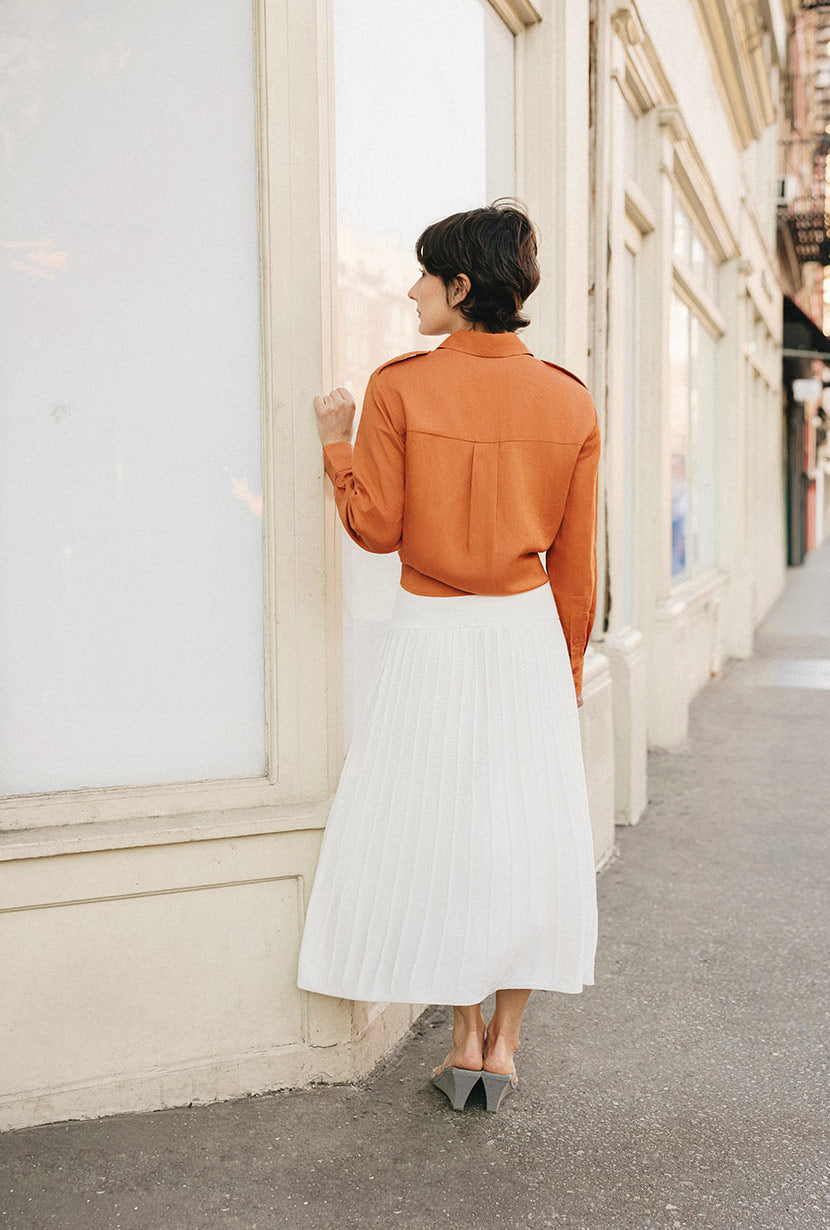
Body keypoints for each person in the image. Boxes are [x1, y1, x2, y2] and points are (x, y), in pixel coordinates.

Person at [296, 200, 600, 1114]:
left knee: (448, 826)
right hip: (526, 636)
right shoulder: (569, 398)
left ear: (461, 287)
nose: (413, 290)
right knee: (523, 831)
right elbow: (577, 569)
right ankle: (504, 1047)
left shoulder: (397, 387)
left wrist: (334, 443)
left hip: (433, 636)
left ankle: (462, 1037)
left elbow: (375, 528)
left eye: (426, 275)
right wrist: (569, 675)